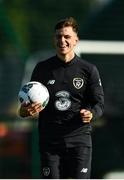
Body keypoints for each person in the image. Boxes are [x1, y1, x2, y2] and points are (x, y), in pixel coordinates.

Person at [19, 17, 104, 179]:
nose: (62, 40)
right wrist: (24, 111)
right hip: (50, 143)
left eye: (67, 37)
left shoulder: (88, 70)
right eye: (58, 36)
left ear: (76, 40)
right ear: (54, 39)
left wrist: (91, 113)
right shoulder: (42, 69)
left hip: (79, 141)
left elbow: (99, 104)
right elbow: (24, 109)